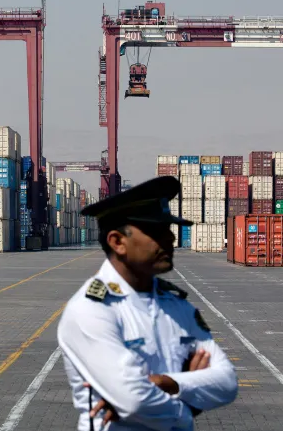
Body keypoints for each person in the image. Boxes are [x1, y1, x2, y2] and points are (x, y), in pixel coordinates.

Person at [57, 176, 238, 430]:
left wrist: (169, 383)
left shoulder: (176, 305)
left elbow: (228, 382)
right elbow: (134, 401)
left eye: (168, 229)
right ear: (117, 242)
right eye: (156, 232)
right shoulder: (91, 310)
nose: (171, 238)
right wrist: (188, 408)